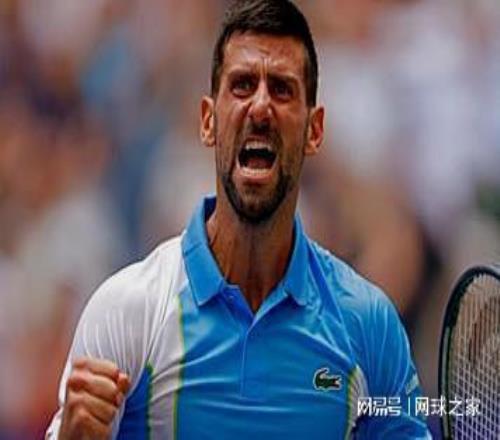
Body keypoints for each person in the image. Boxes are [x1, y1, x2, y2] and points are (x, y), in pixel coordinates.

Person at [46, 0, 430, 438]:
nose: (261, 107)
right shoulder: (128, 311)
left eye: (282, 89)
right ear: (208, 121)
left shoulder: (368, 324)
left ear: (314, 130)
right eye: (243, 85)